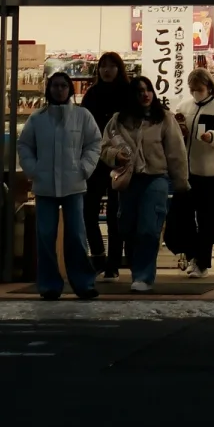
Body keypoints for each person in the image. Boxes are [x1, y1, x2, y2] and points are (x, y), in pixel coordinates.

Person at [18, 70, 102, 301]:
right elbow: (24, 145)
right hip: (45, 185)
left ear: (70, 89)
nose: (59, 89)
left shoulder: (83, 116)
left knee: (76, 235)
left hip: (73, 184)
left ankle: (84, 283)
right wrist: (33, 170)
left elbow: (95, 143)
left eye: (63, 85)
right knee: (45, 236)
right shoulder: (37, 118)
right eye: (55, 85)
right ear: (48, 89)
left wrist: (84, 168)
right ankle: (49, 285)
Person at [101, 74, 189, 292]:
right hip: (128, 180)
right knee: (128, 227)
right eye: (140, 91)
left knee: (149, 228)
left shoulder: (164, 119)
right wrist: (115, 157)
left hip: (156, 179)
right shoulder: (118, 120)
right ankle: (137, 271)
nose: (145, 94)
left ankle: (143, 276)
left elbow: (176, 153)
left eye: (148, 89)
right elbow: (104, 148)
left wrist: (181, 184)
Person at [81, 51, 131, 278]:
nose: (107, 69)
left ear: (119, 69)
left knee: (115, 213)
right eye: (103, 66)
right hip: (95, 158)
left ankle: (113, 264)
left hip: (120, 159)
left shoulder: (128, 93)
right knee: (88, 210)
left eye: (112, 65)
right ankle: (98, 255)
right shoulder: (91, 94)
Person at [177, 67, 214, 278]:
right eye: (192, 89)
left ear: (208, 87)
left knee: (207, 220)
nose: (195, 92)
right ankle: (192, 257)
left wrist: (213, 137)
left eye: (199, 88)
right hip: (186, 171)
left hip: (211, 173)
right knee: (186, 218)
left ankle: (203, 263)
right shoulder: (183, 106)